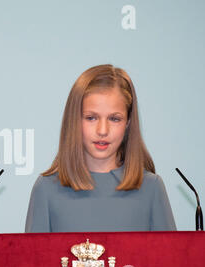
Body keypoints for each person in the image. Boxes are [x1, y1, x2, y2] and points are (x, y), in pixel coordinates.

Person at [25, 64, 176, 232]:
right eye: (91, 118)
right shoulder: (46, 189)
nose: (102, 131)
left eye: (114, 119)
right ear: (74, 120)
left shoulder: (151, 188)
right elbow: (33, 258)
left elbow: (168, 258)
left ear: (128, 123)